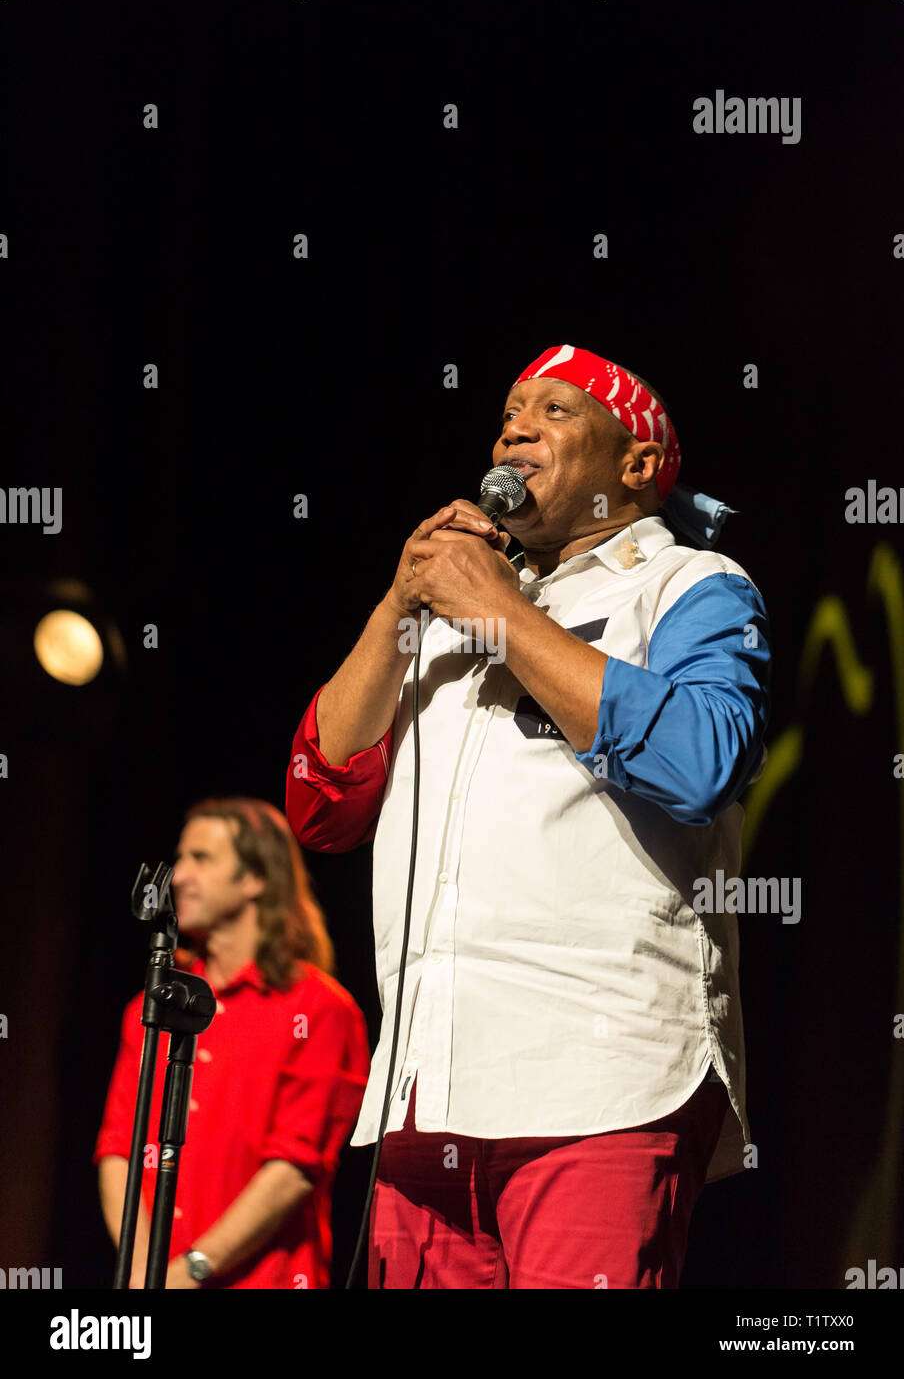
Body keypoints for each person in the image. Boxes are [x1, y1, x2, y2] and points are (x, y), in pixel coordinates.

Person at [285, 344, 771, 1289]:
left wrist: (504, 617)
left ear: (636, 465)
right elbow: (320, 805)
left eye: (555, 412)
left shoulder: (689, 589)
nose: (516, 426)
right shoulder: (450, 605)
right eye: (510, 410)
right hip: (427, 1092)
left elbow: (705, 762)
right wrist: (401, 601)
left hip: (599, 1084)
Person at [94, 796, 370, 1289]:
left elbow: (294, 1167)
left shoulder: (320, 1010)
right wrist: (145, 1274)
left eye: (201, 858)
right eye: (181, 859)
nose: (177, 877)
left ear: (255, 878)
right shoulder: (150, 1009)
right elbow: (119, 1148)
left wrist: (191, 1271)